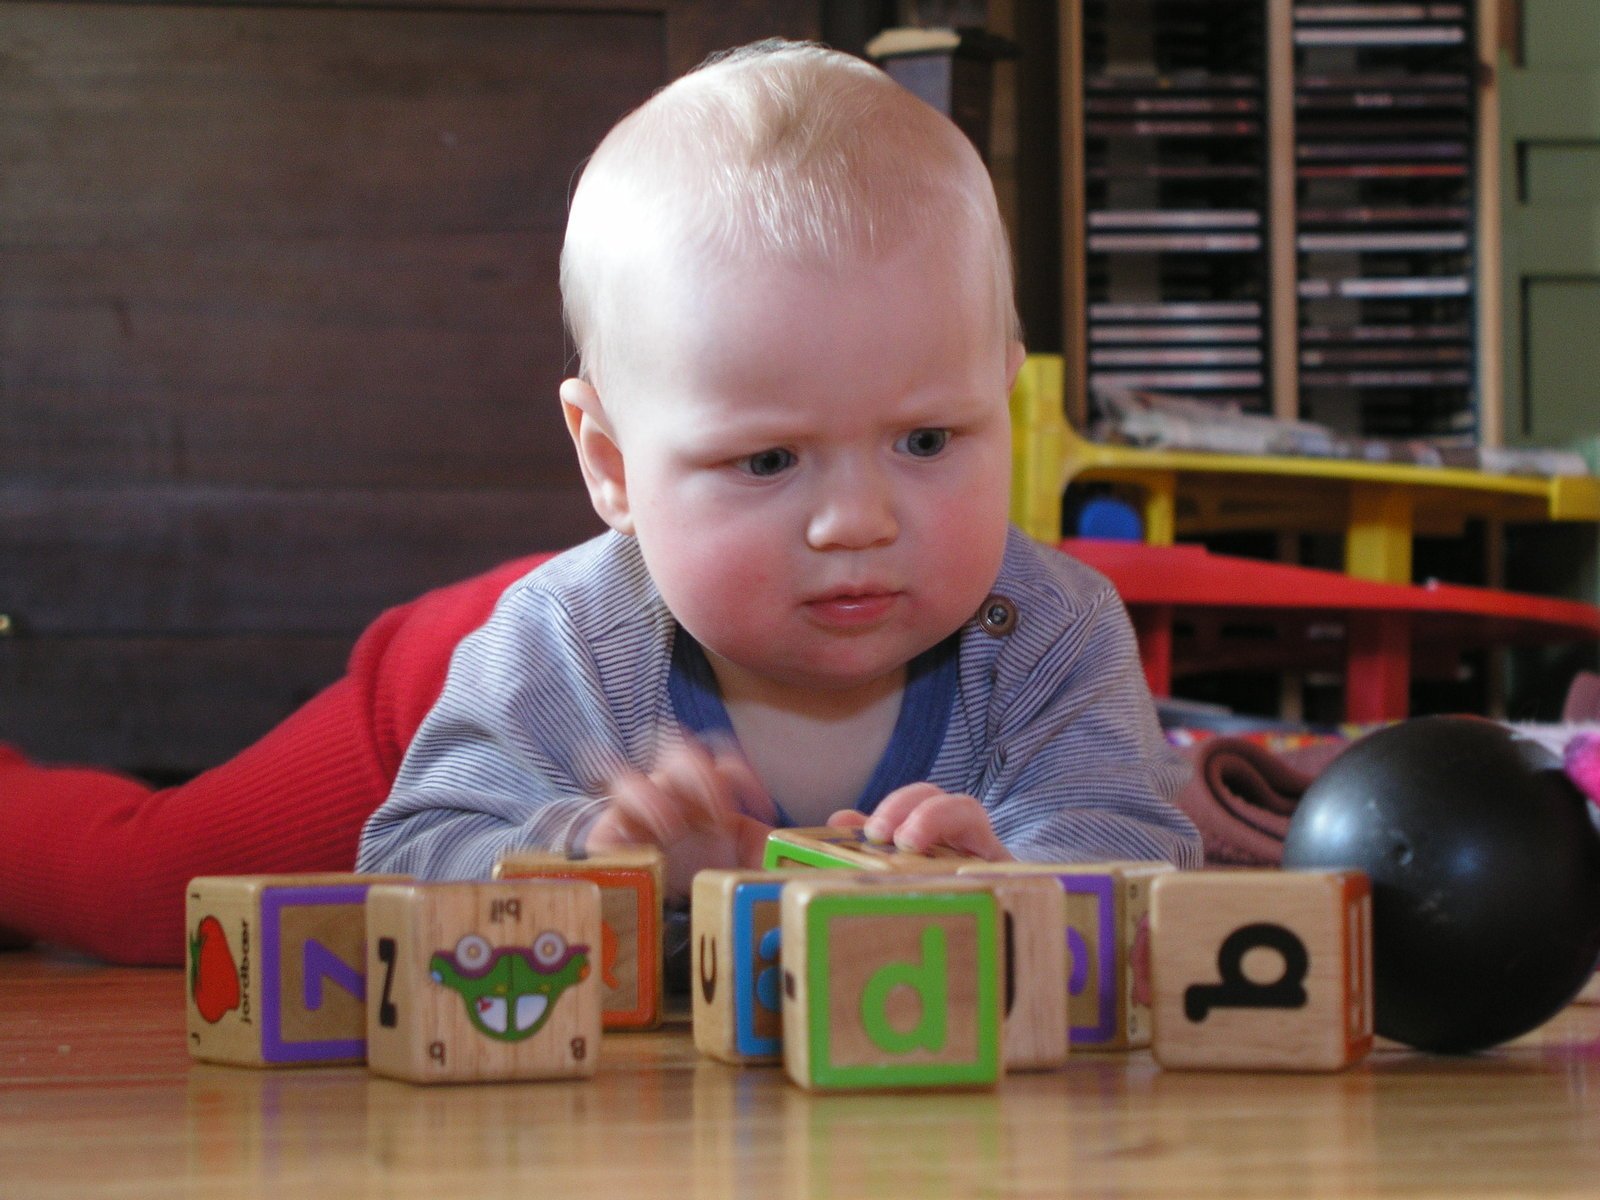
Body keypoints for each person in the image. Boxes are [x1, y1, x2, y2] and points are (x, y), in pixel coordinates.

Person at [356, 39, 1201, 897]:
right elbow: (404, 860)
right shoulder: (563, 648)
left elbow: (1152, 870)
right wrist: (598, 860)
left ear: (1004, 404)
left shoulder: (1053, 639)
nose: (857, 521)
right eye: (768, 459)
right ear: (612, 465)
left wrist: (1019, 892)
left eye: (927, 441)